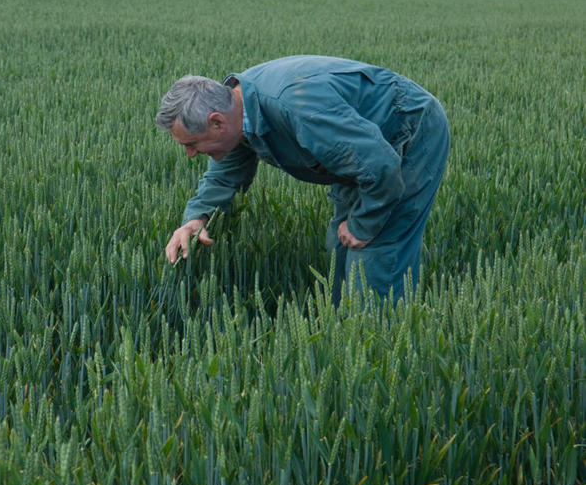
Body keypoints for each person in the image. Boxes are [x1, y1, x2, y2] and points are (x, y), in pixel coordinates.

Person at [155, 55, 450, 306]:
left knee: (373, 254)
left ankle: (378, 346)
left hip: (407, 131)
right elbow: (224, 175)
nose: (190, 154)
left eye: (191, 144)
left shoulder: (298, 107)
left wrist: (364, 223)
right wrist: (196, 220)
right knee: (340, 248)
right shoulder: (237, 113)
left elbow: (381, 166)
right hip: (359, 148)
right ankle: (347, 337)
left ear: (217, 122)